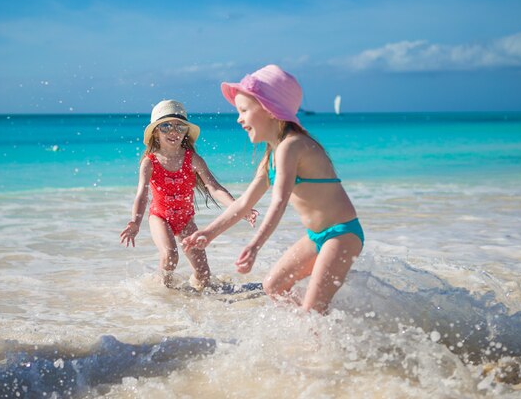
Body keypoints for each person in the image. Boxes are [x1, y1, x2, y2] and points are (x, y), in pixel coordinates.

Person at [183, 65, 364, 313]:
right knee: (274, 286)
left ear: (269, 110)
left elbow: (279, 200)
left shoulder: (293, 146)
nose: (239, 118)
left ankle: (319, 337)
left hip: (341, 235)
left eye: (244, 110)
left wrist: (255, 245)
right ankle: (315, 334)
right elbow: (244, 202)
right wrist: (209, 233)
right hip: (316, 237)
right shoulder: (271, 155)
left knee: (313, 310)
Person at [120, 100, 258, 289]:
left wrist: (240, 208)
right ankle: (163, 294)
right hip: (160, 217)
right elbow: (142, 195)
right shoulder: (150, 162)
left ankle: (197, 299)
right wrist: (135, 222)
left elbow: (214, 188)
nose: (173, 131)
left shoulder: (192, 160)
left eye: (179, 126)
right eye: (166, 126)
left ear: (186, 132)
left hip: (185, 219)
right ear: (155, 132)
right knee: (170, 257)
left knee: (203, 273)